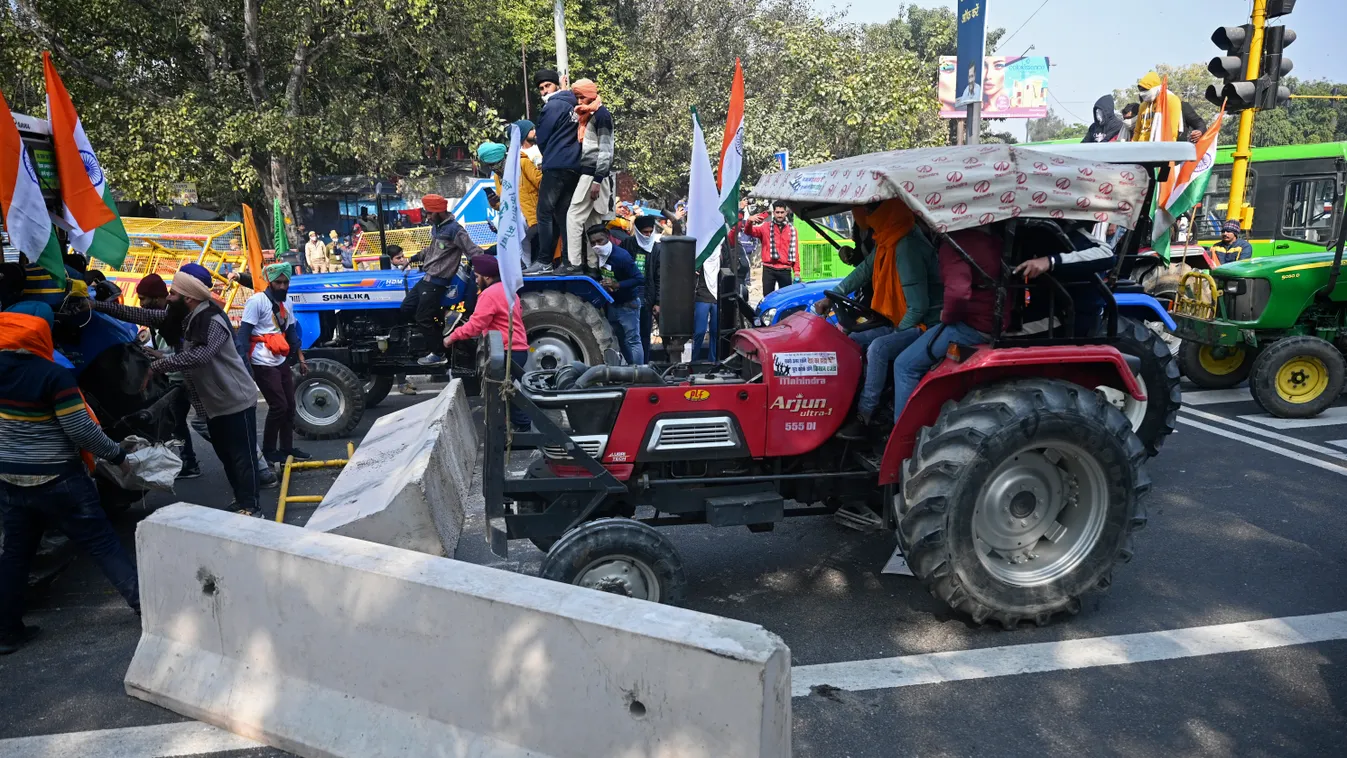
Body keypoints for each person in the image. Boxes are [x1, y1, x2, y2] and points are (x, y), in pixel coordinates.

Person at [0, 301, 139, 655]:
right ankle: (146, 606)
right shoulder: (51, 375)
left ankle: (7, 631)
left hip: (11, 480)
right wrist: (118, 455)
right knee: (102, 542)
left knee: (16, 554)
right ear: (41, 332)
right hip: (60, 480)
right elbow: (81, 431)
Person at [91, 264, 263, 516]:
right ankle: (242, 501)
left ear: (189, 298)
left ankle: (252, 506)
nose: (168, 298)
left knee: (241, 458)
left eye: (173, 294)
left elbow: (202, 355)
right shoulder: (186, 316)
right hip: (214, 404)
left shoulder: (211, 318)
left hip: (234, 400)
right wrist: (96, 306)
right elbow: (139, 315)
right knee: (227, 456)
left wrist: (158, 365)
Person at [815, 202, 942, 437]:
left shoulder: (907, 247)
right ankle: (847, 403)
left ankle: (865, 415)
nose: (868, 217)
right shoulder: (889, 239)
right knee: (852, 339)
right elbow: (864, 270)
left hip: (926, 323)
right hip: (901, 317)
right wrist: (831, 297)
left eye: (873, 211)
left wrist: (895, 333)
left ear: (888, 213)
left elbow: (919, 307)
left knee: (879, 348)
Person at [890, 226, 1006, 420]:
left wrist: (947, 316)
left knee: (904, 365)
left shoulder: (955, 244)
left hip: (970, 329)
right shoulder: (991, 239)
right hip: (993, 323)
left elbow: (958, 293)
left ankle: (902, 438)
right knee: (935, 351)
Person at [445, 254, 531, 430]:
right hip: (518, 349)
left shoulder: (489, 294)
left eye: (477, 277)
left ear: (487, 277)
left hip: (507, 351)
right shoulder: (509, 291)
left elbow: (476, 325)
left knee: (505, 393)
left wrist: (452, 336)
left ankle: (523, 428)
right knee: (507, 392)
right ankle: (515, 428)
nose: (476, 281)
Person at [238, 263, 310, 464]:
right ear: (270, 282)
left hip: (280, 358)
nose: (283, 286)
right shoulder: (256, 302)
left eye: (286, 282)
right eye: (278, 282)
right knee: (278, 405)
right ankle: (269, 450)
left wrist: (301, 358)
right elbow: (243, 335)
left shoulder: (287, 304)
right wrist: (245, 367)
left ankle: (287, 448)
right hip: (262, 361)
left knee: (290, 405)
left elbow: (292, 332)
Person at [134, 273, 199, 479]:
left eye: (144, 298)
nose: (141, 303)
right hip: (172, 378)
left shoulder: (176, 316)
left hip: (189, 378)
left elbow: (185, 353)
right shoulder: (155, 317)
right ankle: (189, 463)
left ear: (156, 297)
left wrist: (160, 357)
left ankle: (246, 460)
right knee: (177, 423)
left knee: (208, 425)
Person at [409, 194, 477, 367]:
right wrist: (414, 257)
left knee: (422, 317)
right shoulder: (437, 228)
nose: (427, 217)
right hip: (426, 278)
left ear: (439, 212)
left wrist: (488, 263)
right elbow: (432, 249)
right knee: (405, 308)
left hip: (437, 281)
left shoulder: (455, 230)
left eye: (430, 214)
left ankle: (439, 353)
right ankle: (442, 319)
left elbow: (472, 251)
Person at [563, 80, 616, 277]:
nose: (579, 101)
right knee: (592, 221)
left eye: (582, 97)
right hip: (596, 174)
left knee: (574, 217)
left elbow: (605, 150)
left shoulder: (601, 116)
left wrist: (596, 179)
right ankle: (593, 266)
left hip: (592, 173)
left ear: (592, 94)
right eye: (577, 97)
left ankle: (574, 263)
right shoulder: (591, 115)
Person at [533, 69, 583, 274]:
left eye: (547, 86)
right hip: (574, 167)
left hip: (555, 166)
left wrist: (547, 156)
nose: (544, 91)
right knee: (564, 215)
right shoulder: (575, 104)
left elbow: (542, 138)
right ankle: (569, 261)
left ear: (555, 85)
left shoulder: (552, 106)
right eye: (541, 88)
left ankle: (544, 260)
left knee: (544, 213)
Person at [479, 138, 543, 269]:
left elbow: (541, 183)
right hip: (515, 216)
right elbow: (505, 204)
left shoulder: (522, 163)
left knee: (514, 228)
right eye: (490, 166)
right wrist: (495, 203)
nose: (493, 169)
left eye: (493, 164)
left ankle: (523, 263)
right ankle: (525, 265)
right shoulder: (498, 177)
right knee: (506, 225)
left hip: (532, 214)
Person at [588, 224, 644, 364]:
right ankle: (631, 367)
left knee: (633, 340)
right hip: (613, 305)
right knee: (619, 339)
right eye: (593, 243)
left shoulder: (621, 256)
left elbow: (639, 278)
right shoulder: (598, 256)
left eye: (599, 241)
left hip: (628, 304)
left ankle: (639, 373)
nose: (596, 246)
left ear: (607, 236)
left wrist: (617, 285)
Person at [620, 214, 661, 361]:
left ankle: (644, 365)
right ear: (638, 231)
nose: (648, 235)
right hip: (629, 295)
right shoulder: (627, 244)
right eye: (645, 232)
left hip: (647, 297)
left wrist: (657, 302)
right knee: (629, 334)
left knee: (644, 333)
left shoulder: (656, 249)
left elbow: (659, 277)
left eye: (650, 232)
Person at [740, 201, 800, 296]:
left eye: (782, 212)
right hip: (769, 269)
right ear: (774, 213)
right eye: (777, 212)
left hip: (785, 269)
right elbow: (748, 232)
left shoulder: (792, 230)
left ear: (786, 213)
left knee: (785, 299)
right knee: (768, 297)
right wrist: (749, 221)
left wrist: (797, 271)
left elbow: (795, 251)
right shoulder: (765, 227)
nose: (779, 215)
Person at [1130, 72, 1182, 142]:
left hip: (1160, 146)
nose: (1142, 93)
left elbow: (1171, 130)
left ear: (1156, 88)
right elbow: (1137, 131)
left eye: (1145, 90)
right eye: (1141, 90)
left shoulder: (1171, 100)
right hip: (1141, 146)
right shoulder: (1143, 105)